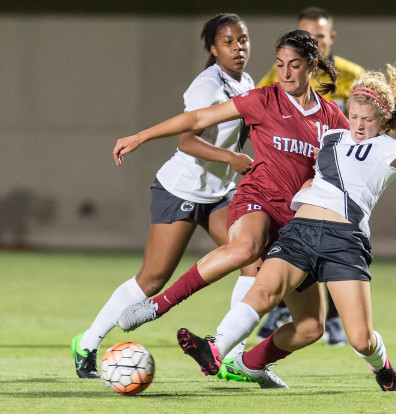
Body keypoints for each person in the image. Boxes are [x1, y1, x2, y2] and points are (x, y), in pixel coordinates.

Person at [172, 65, 396, 390]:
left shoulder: (390, 149)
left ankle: (379, 361)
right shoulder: (330, 137)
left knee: (360, 339)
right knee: (263, 292)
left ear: (383, 119)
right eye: (353, 115)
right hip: (301, 232)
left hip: (344, 243)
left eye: (367, 119)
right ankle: (215, 350)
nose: (358, 124)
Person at [114, 30, 350, 384]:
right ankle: (157, 305)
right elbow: (197, 120)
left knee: (311, 327)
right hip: (256, 198)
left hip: (298, 226)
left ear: (312, 66)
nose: (285, 73)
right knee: (246, 248)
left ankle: (248, 364)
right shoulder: (263, 99)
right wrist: (141, 136)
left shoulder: (332, 118)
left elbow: (350, 166)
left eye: (295, 65)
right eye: (280, 64)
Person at [70, 13, 259, 380]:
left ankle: (230, 354)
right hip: (182, 189)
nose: (238, 48)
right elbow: (186, 140)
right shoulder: (207, 85)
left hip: (219, 193)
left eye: (244, 40)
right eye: (229, 41)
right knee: (152, 280)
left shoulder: (246, 81)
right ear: (213, 48)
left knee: (253, 261)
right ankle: (87, 342)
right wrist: (231, 158)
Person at [256, 6, 364, 346]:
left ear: (330, 38)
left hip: (338, 179)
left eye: (318, 36)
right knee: (286, 240)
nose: (312, 42)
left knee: (336, 241)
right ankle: (282, 308)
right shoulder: (282, 75)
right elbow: (257, 114)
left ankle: (331, 317)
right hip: (295, 177)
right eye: (306, 35)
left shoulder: (353, 77)